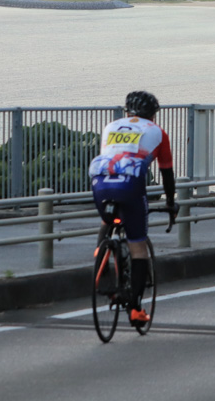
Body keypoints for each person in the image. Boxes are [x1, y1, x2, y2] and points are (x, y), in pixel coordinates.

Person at [89, 90, 177, 325]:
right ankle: (136, 308)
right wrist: (170, 203)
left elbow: (109, 157)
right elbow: (166, 173)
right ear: (153, 115)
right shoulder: (158, 132)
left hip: (100, 182)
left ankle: (101, 259)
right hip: (130, 186)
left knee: (107, 221)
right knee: (138, 245)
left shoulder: (111, 127)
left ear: (127, 110)